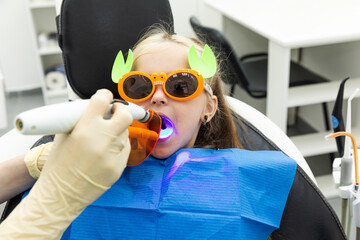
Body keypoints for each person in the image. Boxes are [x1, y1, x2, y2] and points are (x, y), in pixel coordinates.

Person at [0, 28, 296, 239]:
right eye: (140, 86)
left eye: (180, 85)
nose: (156, 98)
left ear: (209, 107)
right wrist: (43, 161)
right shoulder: (80, 160)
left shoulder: (246, 180)